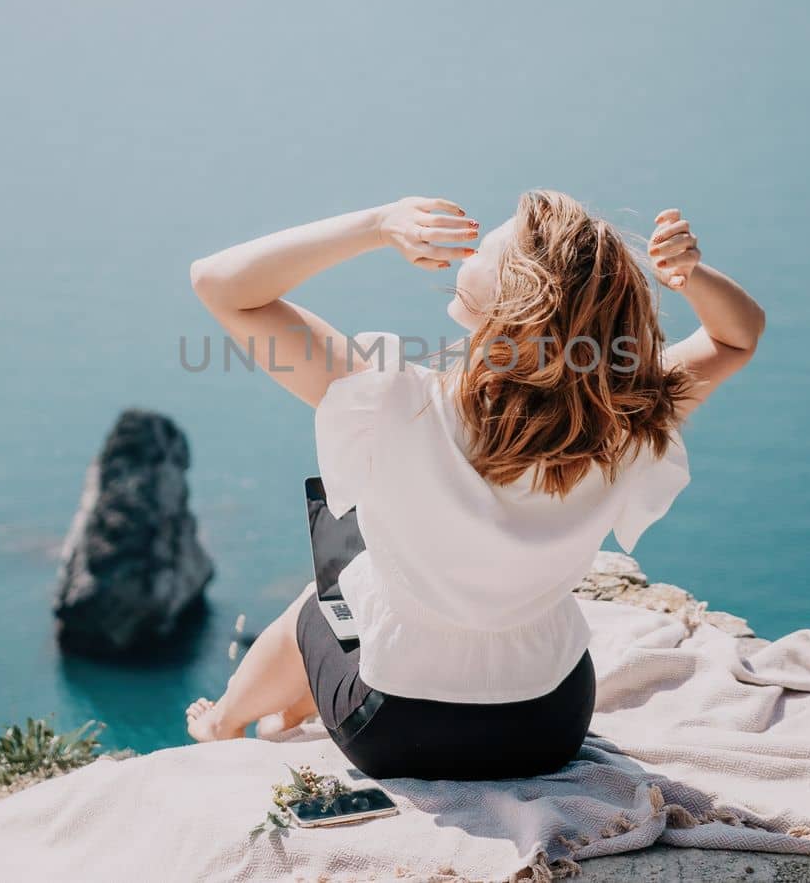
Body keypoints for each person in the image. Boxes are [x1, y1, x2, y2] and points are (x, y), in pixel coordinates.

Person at [183, 190, 765, 780]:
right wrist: (690, 278)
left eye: (484, 250)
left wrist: (378, 224)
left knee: (328, 592)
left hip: (397, 732)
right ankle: (289, 718)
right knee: (352, 576)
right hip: (549, 725)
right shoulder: (632, 418)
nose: (466, 256)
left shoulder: (392, 400)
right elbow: (737, 337)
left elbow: (219, 283)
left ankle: (223, 723)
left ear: (518, 304)